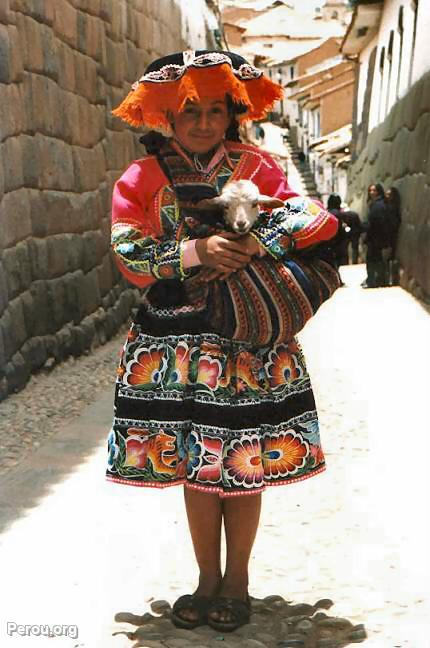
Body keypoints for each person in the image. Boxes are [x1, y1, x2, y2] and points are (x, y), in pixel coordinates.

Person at [105, 49, 339, 633]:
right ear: (167, 117)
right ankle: (207, 578)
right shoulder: (142, 179)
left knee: (240, 460)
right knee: (195, 462)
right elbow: (129, 252)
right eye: (191, 113)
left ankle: (237, 581)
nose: (204, 123)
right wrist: (194, 252)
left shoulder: (258, 167)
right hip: (175, 343)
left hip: (246, 344)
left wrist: (261, 242)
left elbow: (315, 220)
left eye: (214, 110)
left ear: (231, 114)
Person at [362, 183, 387, 288]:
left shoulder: (378, 205)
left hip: (375, 238)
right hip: (375, 238)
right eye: (370, 190)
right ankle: (377, 280)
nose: (372, 193)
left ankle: (372, 281)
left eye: (374, 190)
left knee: (372, 260)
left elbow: (377, 222)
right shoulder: (377, 203)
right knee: (377, 259)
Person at [384, 187, 401, 285]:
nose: (387, 196)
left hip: (391, 236)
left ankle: (390, 280)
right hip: (388, 236)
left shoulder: (392, 208)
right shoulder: (388, 207)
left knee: (390, 258)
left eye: (389, 194)